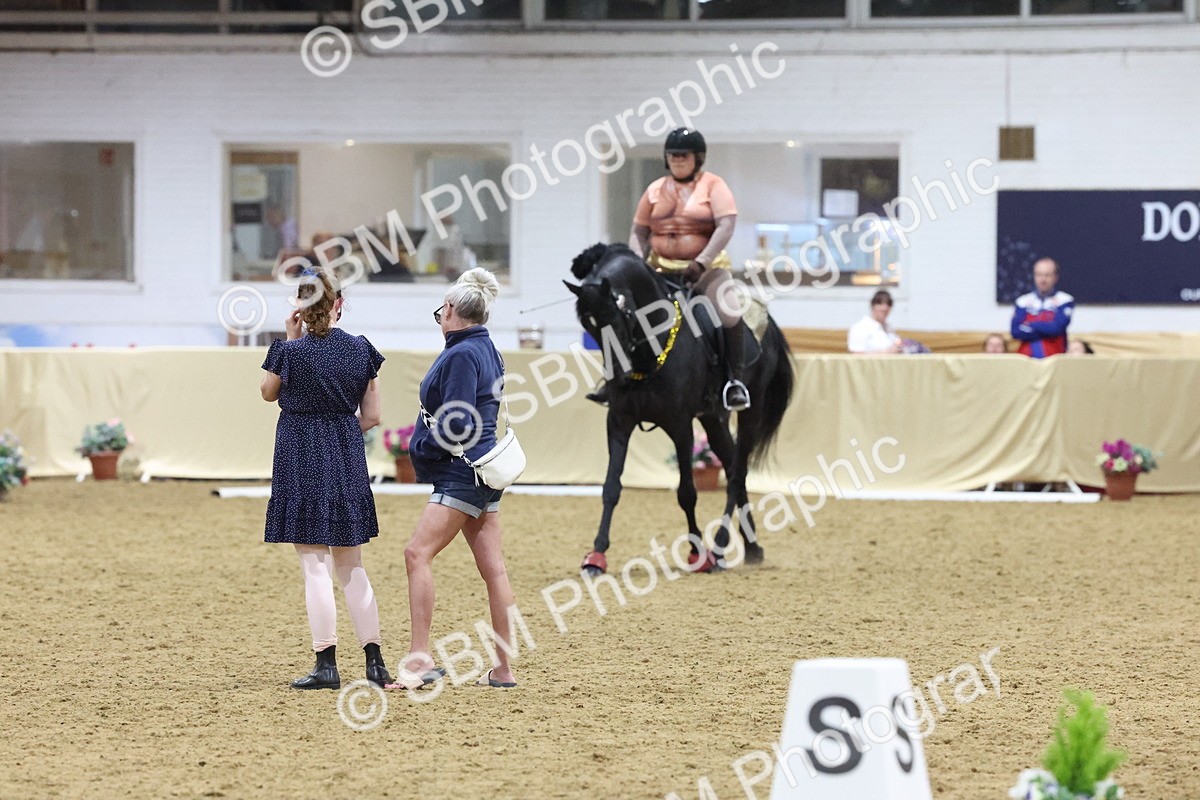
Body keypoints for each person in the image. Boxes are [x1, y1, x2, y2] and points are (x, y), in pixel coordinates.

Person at [259, 268, 392, 691]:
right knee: (351, 564)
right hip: (345, 452)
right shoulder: (360, 350)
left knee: (314, 566)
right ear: (339, 304)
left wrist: (291, 340)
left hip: (300, 454)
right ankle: (374, 662)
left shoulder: (289, 352)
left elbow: (267, 392)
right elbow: (372, 416)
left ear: (299, 306)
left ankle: (326, 663)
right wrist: (341, 427)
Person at [391, 267, 519, 690]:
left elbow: (458, 421)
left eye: (440, 311)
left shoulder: (463, 353)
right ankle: (503, 670)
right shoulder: (486, 347)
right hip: (483, 470)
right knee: (494, 571)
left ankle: (418, 659)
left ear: (450, 310)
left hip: (460, 473)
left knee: (416, 554)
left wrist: (424, 449)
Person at [588, 127, 750, 411]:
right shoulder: (654, 190)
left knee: (729, 312)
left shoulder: (714, 186)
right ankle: (613, 379)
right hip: (659, 271)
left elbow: (726, 226)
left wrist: (702, 261)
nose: (677, 160)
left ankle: (733, 381)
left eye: (683, 155)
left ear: (697, 158)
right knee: (622, 315)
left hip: (706, 271)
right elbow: (638, 231)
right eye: (672, 155)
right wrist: (638, 262)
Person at [1010, 258, 1074, 358]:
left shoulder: (1065, 300)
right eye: (1039, 275)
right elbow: (1016, 331)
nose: (1043, 280)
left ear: (1055, 277)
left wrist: (1030, 324)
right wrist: (1045, 329)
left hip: (1053, 359)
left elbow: (1056, 328)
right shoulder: (1022, 301)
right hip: (1025, 359)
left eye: (1047, 275)